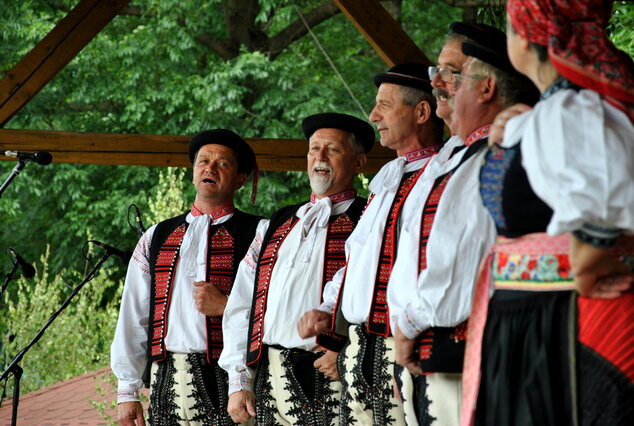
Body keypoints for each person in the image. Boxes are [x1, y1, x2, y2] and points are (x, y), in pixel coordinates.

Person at [460, 1, 634, 425]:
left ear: (527, 35)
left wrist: (585, 266)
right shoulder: (564, 109)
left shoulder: (574, 110)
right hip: (530, 316)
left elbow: (601, 206)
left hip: (562, 319)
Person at [390, 22, 539, 425]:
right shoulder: (467, 158)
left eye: (458, 78)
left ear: (487, 88)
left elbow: (457, 258)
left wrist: (406, 324)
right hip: (438, 346)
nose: (446, 86)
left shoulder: (493, 158)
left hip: (462, 347)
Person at [298, 63, 445, 425]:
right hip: (361, 348)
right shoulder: (388, 180)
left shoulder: (443, 174)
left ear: (422, 112)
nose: (373, 114)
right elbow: (359, 255)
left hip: (408, 344)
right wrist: (330, 306)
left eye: (385, 105)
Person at [219, 113, 374, 425]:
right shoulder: (277, 223)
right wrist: (239, 379)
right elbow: (241, 304)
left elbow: (381, 295)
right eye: (314, 149)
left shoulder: (369, 220)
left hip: (331, 376)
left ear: (359, 163)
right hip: (268, 376)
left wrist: (350, 353)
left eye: (333, 149)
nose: (320, 157)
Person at [111, 129, 263, 425]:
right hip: (164, 379)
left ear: (240, 180)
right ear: (193, 173)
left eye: (223, 164)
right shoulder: (157, 236)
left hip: (229, 380)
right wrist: (128, 390)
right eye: (203, 161)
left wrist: (227, 305)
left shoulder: (259, 233)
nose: (210, 168)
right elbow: (133, 314)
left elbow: (273, 306)